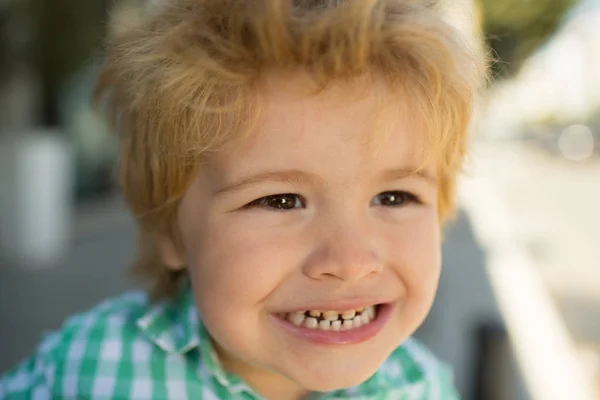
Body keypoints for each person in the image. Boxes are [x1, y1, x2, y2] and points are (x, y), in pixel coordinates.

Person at [0, 0, 486, 398]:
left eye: (394, 196)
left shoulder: (420, 387)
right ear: (167, 228)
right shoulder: (89, 371)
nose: (350, 261)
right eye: (280, 201)